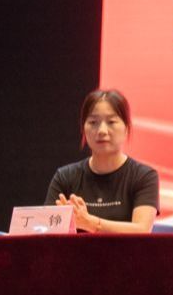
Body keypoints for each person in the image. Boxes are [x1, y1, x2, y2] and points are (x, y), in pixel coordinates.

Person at [44, 89, 160, 233]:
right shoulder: (65, 177)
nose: (102, 131)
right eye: (93, 122)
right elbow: (45, 230)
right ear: (83, 128)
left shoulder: (144, 176)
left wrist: (90, 223)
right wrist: (61, 222)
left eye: (111, 122)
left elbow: (141, 231)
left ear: (126, 127)